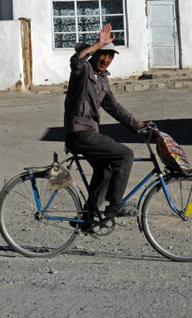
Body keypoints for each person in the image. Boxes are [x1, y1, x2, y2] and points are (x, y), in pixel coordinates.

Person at [64, 23, 149, 228]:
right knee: (125, 155)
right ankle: (115, 205)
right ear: (95, 54)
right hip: (80, 132)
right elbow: (76, 61)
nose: (107, 60)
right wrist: (97, 44)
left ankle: (86, 219)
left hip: (89, 132)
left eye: (111, 57)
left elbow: (116, 109)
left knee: (106, 170)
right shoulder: (84, 71)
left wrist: (139, 126)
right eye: (104, 54)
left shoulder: (102, 80)